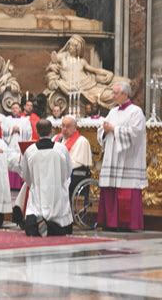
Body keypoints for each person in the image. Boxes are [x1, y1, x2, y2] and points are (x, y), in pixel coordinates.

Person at [97, 81, 147, 231]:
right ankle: (110, 222)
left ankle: (125, 224)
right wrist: (105, 130)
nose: (113, 95)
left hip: (127, 159)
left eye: (115, 93)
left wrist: (114, 129)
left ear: (125, 94)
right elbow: (104, 129)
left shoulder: (136, 112)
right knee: (110, 188)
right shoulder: (113, 111)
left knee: (125, 190)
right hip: (112, 156)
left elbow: (135, 133)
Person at [46, 34, 129, 110]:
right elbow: (50, 68)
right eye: (70, 44)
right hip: (77, 88)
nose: (70, 47)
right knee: (110, 95)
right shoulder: (61, 57)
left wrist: (109, 73)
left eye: (73, 46)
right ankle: (121, 100)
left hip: (90, 84)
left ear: (78, 49)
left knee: (125, 82)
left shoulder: (82, 61)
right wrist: (52, 67)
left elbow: (95, 70)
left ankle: (124, 94)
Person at [21, 119, 74, 236]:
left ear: (37, 131)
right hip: (57, 194)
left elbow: (25, 175)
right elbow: (68, 171)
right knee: (62, 228)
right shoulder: (61, 149)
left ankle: (39, 223)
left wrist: (35, 184)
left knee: (32, 221)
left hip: (38, 194)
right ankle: (51, 226)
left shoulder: (30, 151)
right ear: (51, 131)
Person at [53, 115, 92, 201]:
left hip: (73, 174)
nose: (65, 129)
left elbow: (78, 163)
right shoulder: (56, 139)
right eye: (63, 126)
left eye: (68, 126)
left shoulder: (82, 141)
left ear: (75, 127)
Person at [2, 102, 32, 190]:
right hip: (10, 145)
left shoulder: (25, 120)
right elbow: (3, 132)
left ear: (20, 109)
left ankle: (19, 185)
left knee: (20, 162)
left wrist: (20, 130)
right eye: (13, 108)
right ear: (11, 110)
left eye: (16, 108)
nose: (15, 110)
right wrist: (11, 130)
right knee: (9, 162)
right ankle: (10, 185)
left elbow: (29, 132)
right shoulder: (6, 120)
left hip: (20, 146)